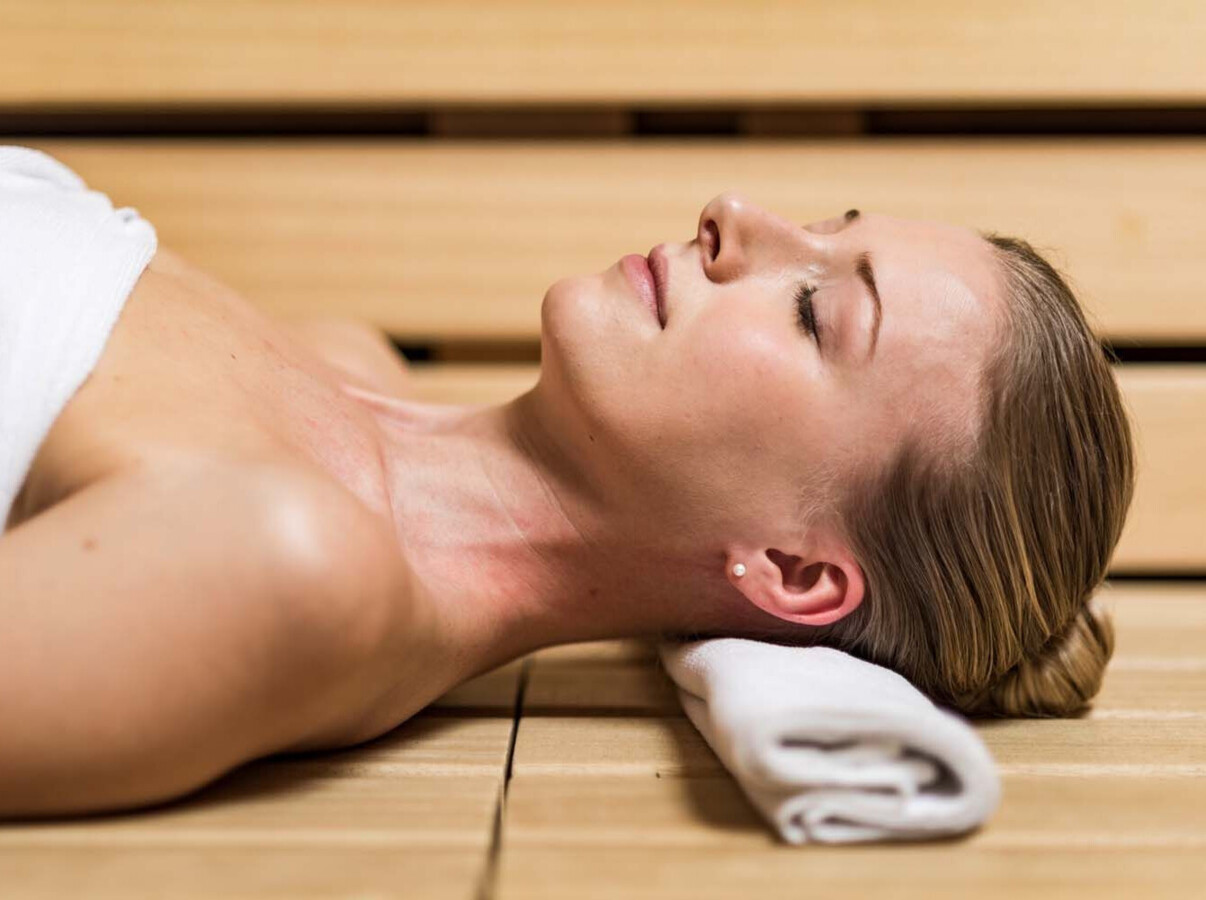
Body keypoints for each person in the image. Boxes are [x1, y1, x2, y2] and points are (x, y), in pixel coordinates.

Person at [0, 172, 1134, 819]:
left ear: (790, 572)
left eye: (813, 311)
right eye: (822, 227)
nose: (734, 216)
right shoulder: (349, 370)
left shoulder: (289, 569)